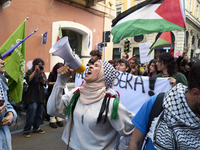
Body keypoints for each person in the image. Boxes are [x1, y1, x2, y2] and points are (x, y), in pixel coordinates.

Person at [47, 60, 135, 149]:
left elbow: (131, 130)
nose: (91, 66)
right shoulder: (76, 94)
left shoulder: (111, 104)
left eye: (97, 66)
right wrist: (60, 81)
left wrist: (121, 148)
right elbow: (52, 110)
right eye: (92, 64)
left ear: (104, 76)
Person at [128, 61, 200, 149]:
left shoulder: (179, 76)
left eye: (159, 62)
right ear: (196, 93)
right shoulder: (157, 103)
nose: (157, 64)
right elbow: (135, 142)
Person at [23, 58, 47, 138]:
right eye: (38, 65)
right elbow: (28, 80)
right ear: (35, 65)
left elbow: (44, 83)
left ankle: (36, 128)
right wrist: (35, 71)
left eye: (41, 65)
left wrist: (41, 74)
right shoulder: (30, 72)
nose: (40, 66)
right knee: (31, 114)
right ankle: (27, 130)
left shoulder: (42, 73)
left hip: (40, 97)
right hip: (32, 97)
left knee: (39, 115)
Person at [0, 56, 17, 150]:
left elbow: (8, 105)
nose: (2, 62)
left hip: (4, 139)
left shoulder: (1, 82)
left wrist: (11, 114)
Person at [46, 62, 65, 128]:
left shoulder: (64, 74)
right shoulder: (52, 74)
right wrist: (57, 83)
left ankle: (58, 118)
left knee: (59, 104)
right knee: (52, 104)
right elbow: (48, 83)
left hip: (60, 91)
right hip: (52, 91)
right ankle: (52, 119)